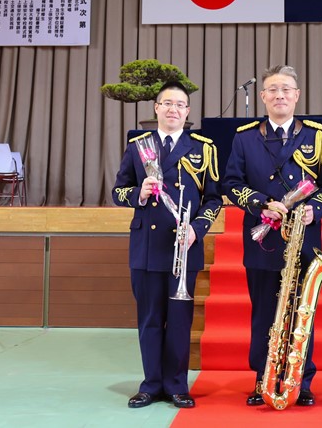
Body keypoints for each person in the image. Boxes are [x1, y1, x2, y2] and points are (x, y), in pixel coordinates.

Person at [223, 65, 322, 407]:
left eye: (286, 89)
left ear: (297, 95)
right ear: (262, 96)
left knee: (302, 311)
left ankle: (300, 381)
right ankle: (263, 377)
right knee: (263, 312)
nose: (279, 95)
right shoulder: (245, 137)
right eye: (273, 89)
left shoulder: (318, 135)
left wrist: (314, 210)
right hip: (263, 237)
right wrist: (260, 205)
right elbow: (231, 184)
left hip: (304, 237)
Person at [112, 81, 222, 409]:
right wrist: (138, 194)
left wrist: (197, 230)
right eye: (167, 103)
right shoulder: (139, 146)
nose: (173, 109)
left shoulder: (203, 148)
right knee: (149, 319)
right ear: (156, 108)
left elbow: (214, 200)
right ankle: (150, 384)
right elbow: (118, 192)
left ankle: (176, 385)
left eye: (180, 105)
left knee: (178, 320)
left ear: (188, 112)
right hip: (147, 246)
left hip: (183, 249)